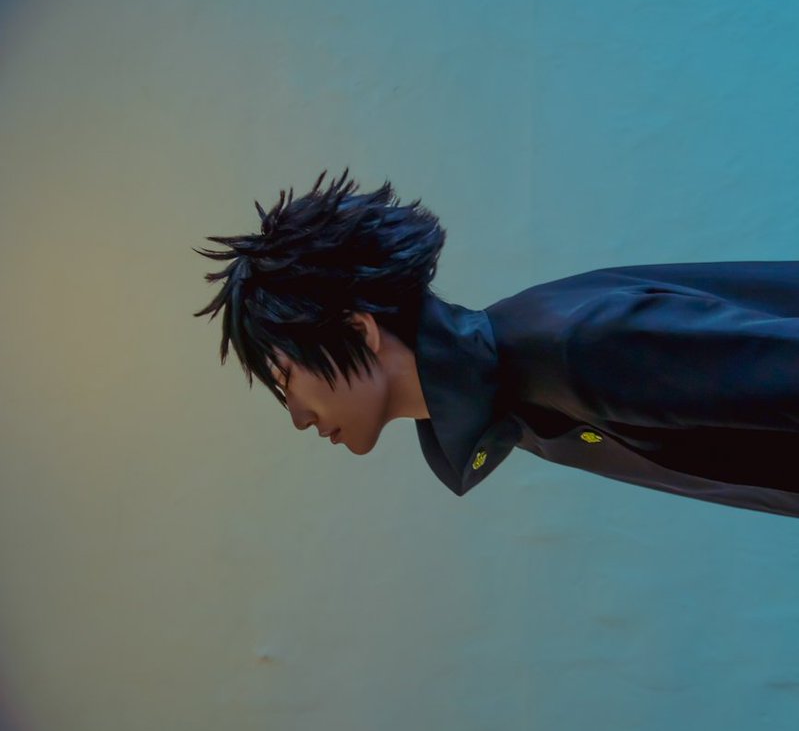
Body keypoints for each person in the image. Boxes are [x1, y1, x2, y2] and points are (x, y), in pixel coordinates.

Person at [193, 168, 799, 519]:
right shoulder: (518, 394)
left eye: (286, 380)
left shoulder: (574, 347)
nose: (298, 417)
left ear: (359, 331)